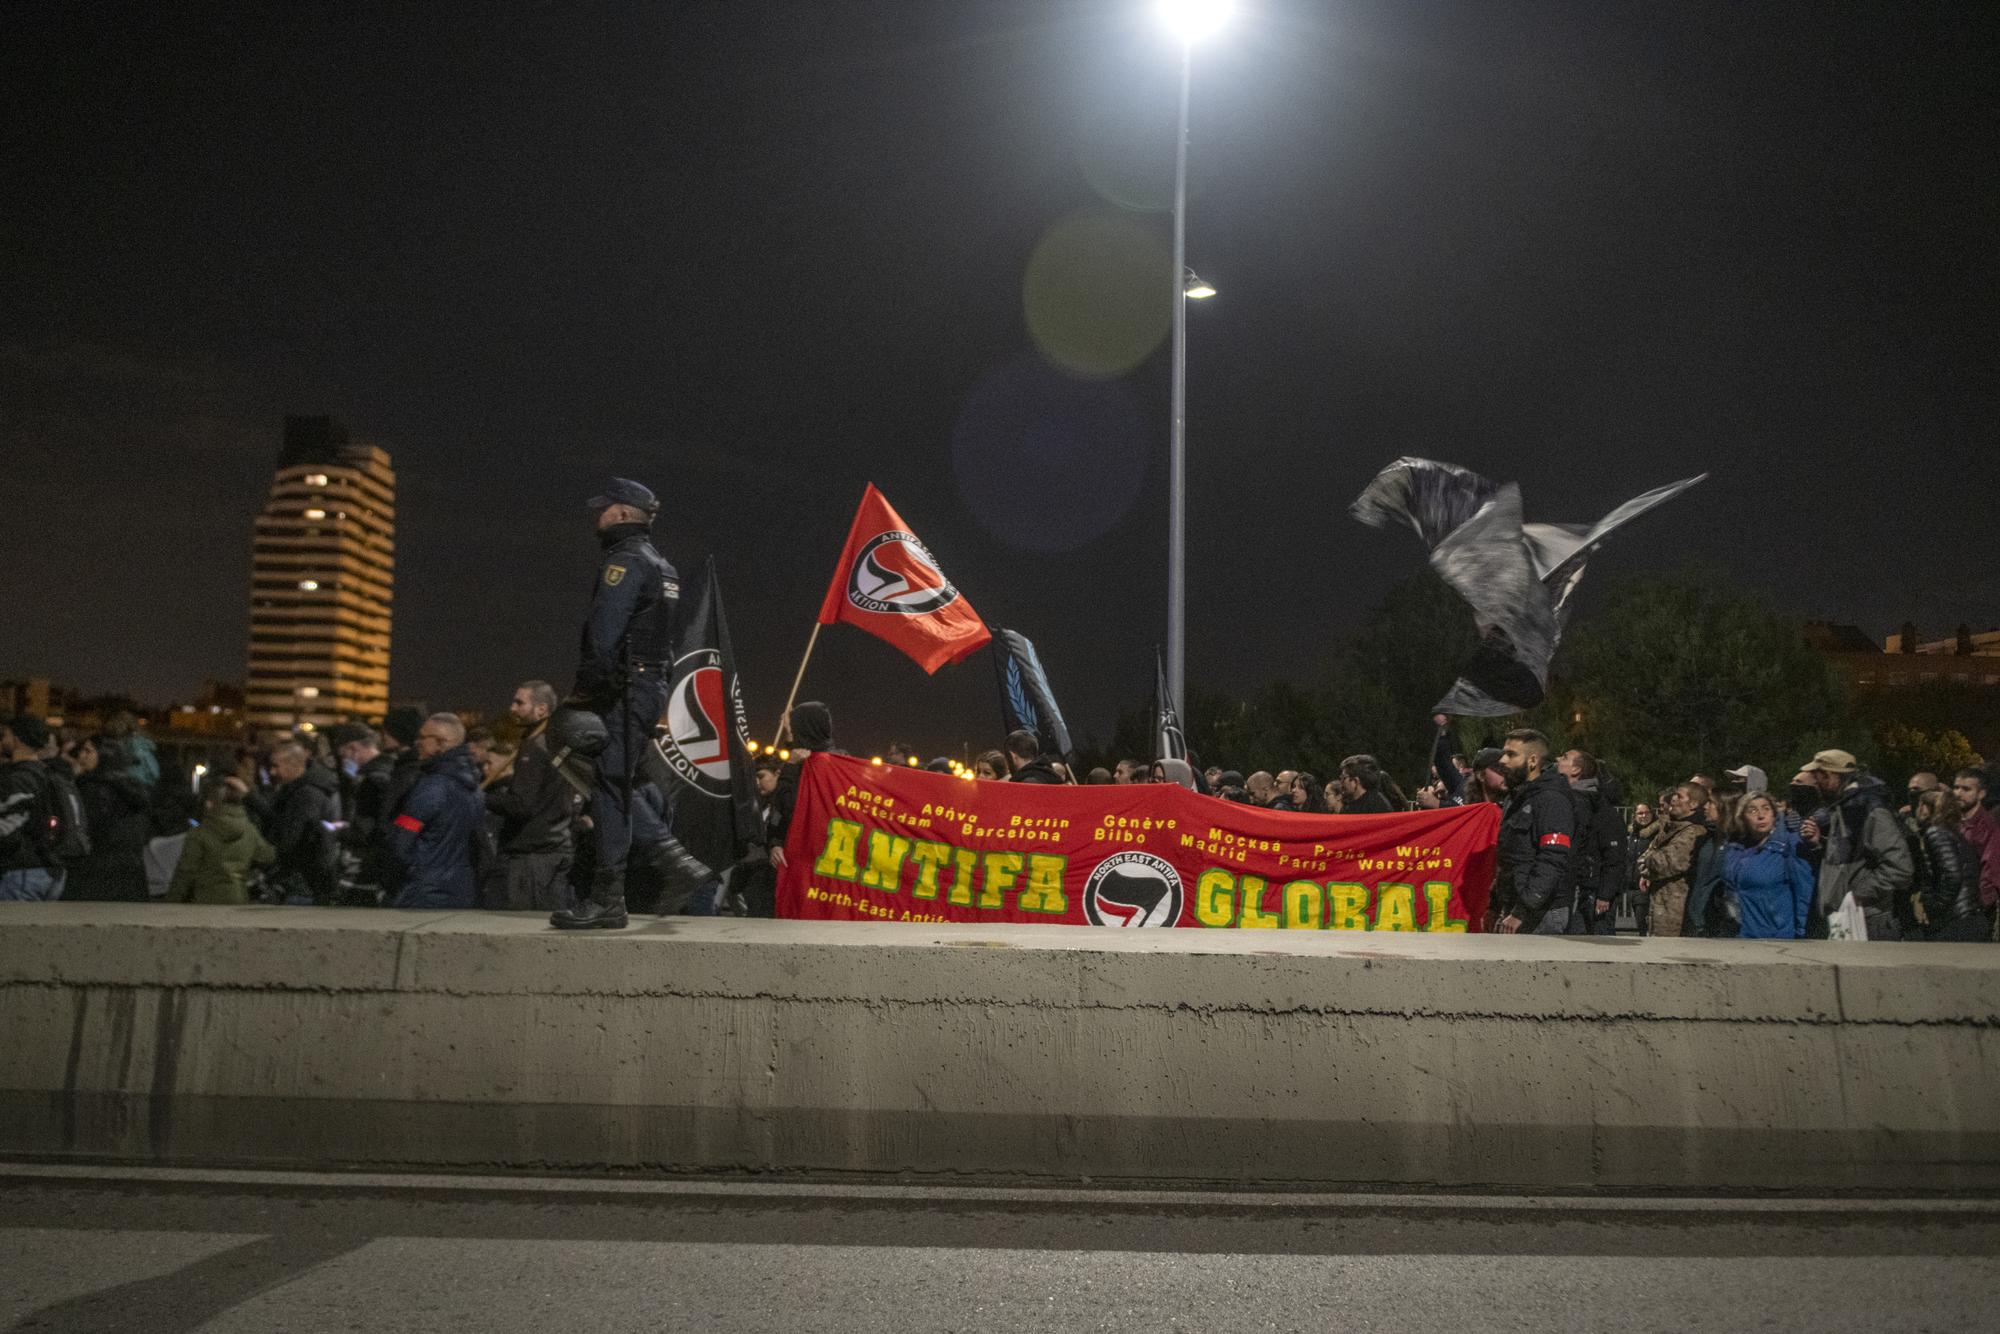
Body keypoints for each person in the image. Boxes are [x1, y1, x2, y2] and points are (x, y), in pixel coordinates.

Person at [552, 477, 680, 931]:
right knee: (618, 783)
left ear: (623, 514)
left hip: (624, 689)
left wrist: (585, 695)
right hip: (649, 685)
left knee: (606, 785)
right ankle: (657, 866)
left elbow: (604, 639)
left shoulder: (624, 563)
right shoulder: (661, 565)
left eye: (604, 509)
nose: (597, 516)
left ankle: (612, 897)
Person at [1798, 748, 1911, 940]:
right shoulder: (1844, 807)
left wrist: (1857, 894)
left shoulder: (1869, 809)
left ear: (1832, 775)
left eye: (1819, 777)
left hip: (1868, 922)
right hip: (1847, 919)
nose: (1815, 783)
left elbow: (1900, 868)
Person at [484, 681, 575, 913]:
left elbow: (521, 804)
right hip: (554, 848)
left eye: (519, 702)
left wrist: (482, 799)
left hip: (533, 856)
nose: (512, 708)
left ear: (541, 709)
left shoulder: (535, 747)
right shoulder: (558, 741)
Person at [388, 713, 485, 909]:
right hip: (463, 889)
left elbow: (401, 840)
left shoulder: (431, 788)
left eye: (423, 738)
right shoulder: (475, 788)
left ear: (441, 743)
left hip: (424, 890)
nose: (418, 743)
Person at [1493, 729, 1573, 934]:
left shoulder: (1551, 799)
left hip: (1540, 913)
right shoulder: (1519, 797)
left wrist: (1522, 911)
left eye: (1511, 754)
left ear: (1533, 760)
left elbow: (1552, 859)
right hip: (1515, 907)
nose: (1502, 760)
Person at [167, 773, 277, 905]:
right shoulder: (249, 830)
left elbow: (185, 872)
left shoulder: (199, 833)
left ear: (209, 804)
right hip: (239, 898)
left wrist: (171, 902)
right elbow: (267, 856)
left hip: (204, 900)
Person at [68, 737, 152, 901]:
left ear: (103, 755)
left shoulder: (92, 788)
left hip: (95, 871)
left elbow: (87, 829)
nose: (81, 756)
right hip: (129, 871)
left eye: (88, 751)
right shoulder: (131, 788)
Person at [1723, 791, 1813, 939]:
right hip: (1738, 934)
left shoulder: (1787, 845)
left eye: (1766, 808)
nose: (1761, 815)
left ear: (1774, 814)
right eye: (1752, 810)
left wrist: (1801, 933)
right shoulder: (1734, 848)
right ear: (1741, 817)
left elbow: (1804, 892)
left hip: (1775, 936)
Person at [1556, 749, 1626, 936]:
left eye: (1564, 758)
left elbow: (1614, 856)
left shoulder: (1601, 809)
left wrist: (1605, 894)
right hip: (1576, 888)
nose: (1557, 760)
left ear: (1576, 769)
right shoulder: (1565, 801)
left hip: (1592, 893)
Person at [265, 740, 341, 905]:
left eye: (276, 766)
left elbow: (291, 838)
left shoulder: (305, 795)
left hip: (302, 881)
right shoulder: (302, 791)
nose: (272, 771)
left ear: (293, 764)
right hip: (306, 880)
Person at [0, 715, 66, 901]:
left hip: (22, 873)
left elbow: (8, 827)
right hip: (50, 871)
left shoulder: (20, 778)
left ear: (17, 739)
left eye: (5, 735)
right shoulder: (47, 773)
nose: (3, 740)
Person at [768, 701, 840, 870]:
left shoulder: (824, 767)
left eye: (796, 727)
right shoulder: (831, 761)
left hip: (807, 863)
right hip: (791, 856)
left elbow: (791, 808)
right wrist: (775, 843)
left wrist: (791, 767)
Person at [1912, 788, 1987, 941]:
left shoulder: (1936, 833)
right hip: (1967, 912)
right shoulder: (1953, 832)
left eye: (1921, 804)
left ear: (1927, 808)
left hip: (1954, 918)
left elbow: (1952, 875)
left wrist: (1936, 906)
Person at [1640, 784, 1707, 937]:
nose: (1673, 800)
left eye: (1680, 796)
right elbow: (1644, 859)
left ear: (1693, 804)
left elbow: (1665, 863)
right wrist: (1650, 860)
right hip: (1660, 908)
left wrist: (1650, 859)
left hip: (1674, 913)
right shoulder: (1672, 828)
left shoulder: (1693, 832)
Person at [1951, 768, 1998, 937]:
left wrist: (1980, 904)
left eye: (1966, 789)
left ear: (1981, 794)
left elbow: (1990, 869)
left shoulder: (1988, 826)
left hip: (1974, 908)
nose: (1958, 793)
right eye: (1956, 787)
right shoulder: (1952, 821)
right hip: (1952, 903)